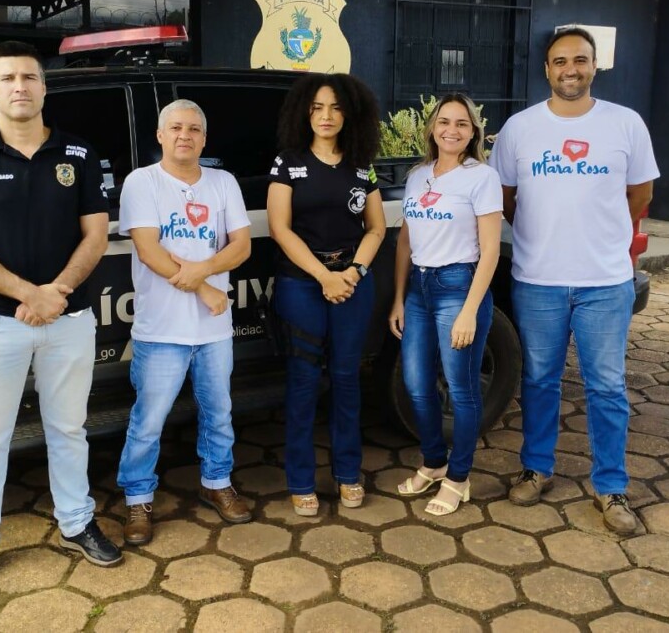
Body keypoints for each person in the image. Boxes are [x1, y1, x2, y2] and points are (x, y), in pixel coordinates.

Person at [0, 41, 120, 604]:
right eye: (9, 78)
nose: (20, 86)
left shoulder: (80, 154)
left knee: (69, 428)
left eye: (30, 77)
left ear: (45, 87)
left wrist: (56, 294)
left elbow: (96, 235)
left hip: (68, 316)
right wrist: (28, 294)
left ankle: (77, 522)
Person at [489, 27, 659, 534]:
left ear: (593, 66)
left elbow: (641, 195)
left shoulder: (625, 123)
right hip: (537, 279)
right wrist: (545, 235)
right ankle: (537, 468)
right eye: (560, 61)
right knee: (539, 380)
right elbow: (507, 200)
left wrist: (601, 237)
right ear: (547, 69)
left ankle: (611, 487)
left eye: (580, 60)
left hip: (605, 282)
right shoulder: (519, 129)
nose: (570, 69)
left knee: (606, 386)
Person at [116, 99, 253, 545]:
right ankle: (138, 497)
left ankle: (217, 482)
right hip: (161, 330)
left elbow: (241, 246)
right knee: (148, 420)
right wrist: (205, 288)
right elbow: (149, 251)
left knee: (219, 412)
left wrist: (200, 272)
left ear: (204, 139)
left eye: (194, 129)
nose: (184, 135)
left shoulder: (223, 183)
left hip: (213, 331)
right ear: (160, 135)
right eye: (175, 127)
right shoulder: (142, 182)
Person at [267, 73, 385, 516]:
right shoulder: (288, 162)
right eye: (317, 107)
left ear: (350, 114)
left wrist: (353, 272)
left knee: (347, 378)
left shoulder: (362, 165)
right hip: (302, 284)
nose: (326, 116)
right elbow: (280, 229)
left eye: (335, 107)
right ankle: (300, 480)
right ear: (304, 112)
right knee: (302, 382)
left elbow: (375, 228)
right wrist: (324, 277)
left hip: (353, 283)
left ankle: (348, 473)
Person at [388, 94, 502, 515]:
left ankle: (458, 477)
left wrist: (470, 310)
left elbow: (490, 250)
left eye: (461, 124)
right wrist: (399, 298)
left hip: (458, 285)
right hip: (418, 289)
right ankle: (434, 462)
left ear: (473, 133)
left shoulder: (481, 177)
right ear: (432, 128)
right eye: (444, 122)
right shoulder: (419, 176)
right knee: (416, 384)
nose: (451, 130)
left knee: (461, 387)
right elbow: (406, 240)